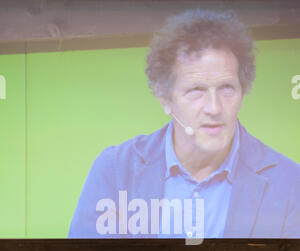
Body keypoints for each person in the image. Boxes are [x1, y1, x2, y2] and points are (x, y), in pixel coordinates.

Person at [68, 8, 300, 239]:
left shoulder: (290, 183)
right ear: (165, 98)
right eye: (196, 90)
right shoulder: (115, 171)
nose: (214, 108)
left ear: (243, 91)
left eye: (227, 88)